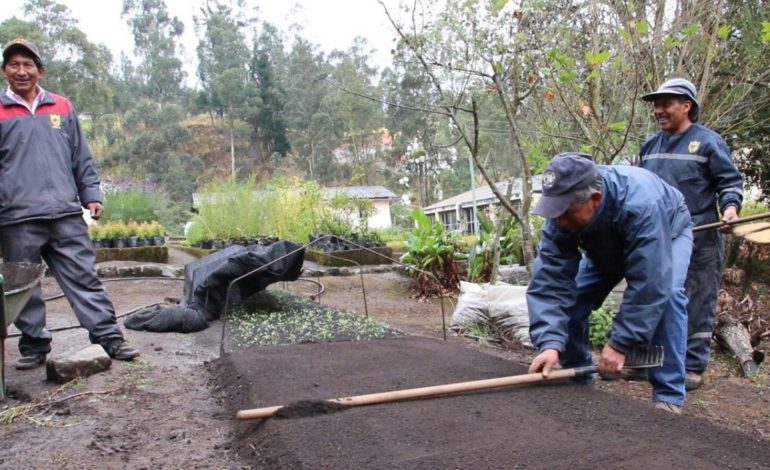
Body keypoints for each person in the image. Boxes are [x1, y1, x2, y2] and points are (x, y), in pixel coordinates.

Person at [0, 38, 139, 369]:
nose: (21, 71)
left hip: (64, 213)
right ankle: (34, 346)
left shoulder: (61, 107)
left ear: (40, 70)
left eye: (28, 65)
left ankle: (109, 338)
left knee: (84, 277)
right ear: (5, 70)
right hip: (16, 217)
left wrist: (91, 194)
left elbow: (81, 156)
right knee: (24, 286)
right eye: (14, 65)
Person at [526, 153, 692, 414]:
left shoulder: (642, 204)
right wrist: (550, 343)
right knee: (576, 296)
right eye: (555, 212)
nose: (560, 222)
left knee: (668, 294)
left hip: (667, 231)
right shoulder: (563, 212)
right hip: (607, 239)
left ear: (595, 199)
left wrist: (620, 343)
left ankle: (668, 394)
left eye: (566, 213)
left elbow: (650, 282)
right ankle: (578, 373)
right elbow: (550, 281)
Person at [639, 78, 743, 391]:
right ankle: (651, 360)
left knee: (696, 298)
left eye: (666, 103)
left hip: (701, 235)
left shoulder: (708, 142)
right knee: (654, 294)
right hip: (657, 236)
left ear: (687, 106)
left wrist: (731, 208)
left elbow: (729, 182)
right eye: (656, 104)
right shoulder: (649, 147)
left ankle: (692, 365)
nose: (659, 110)